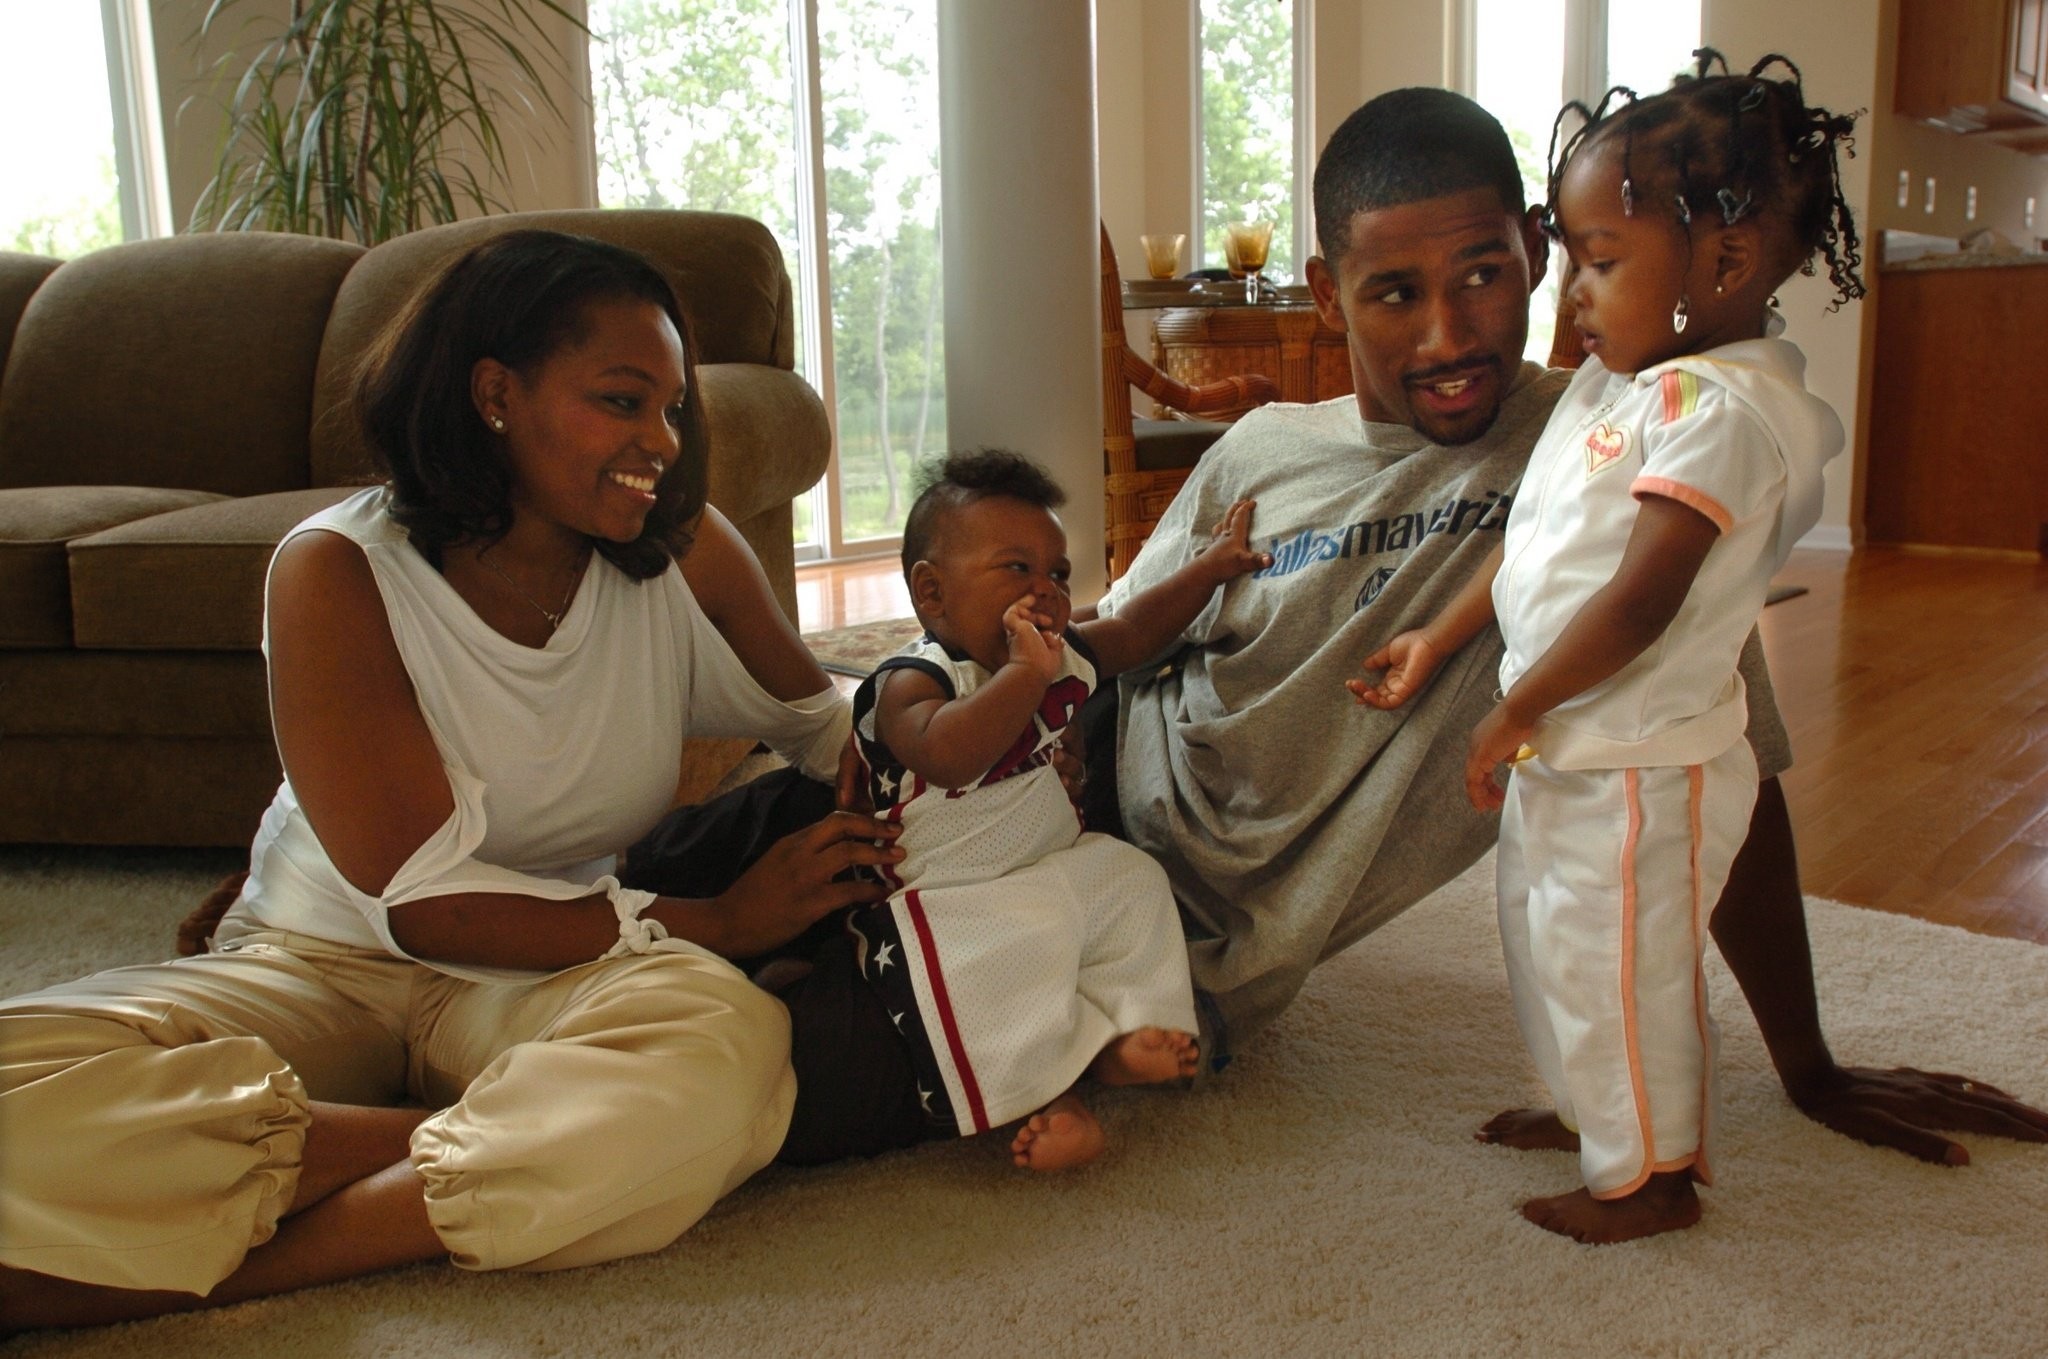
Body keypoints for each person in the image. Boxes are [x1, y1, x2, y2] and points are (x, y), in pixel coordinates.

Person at [1083, 83, 2047, 1169]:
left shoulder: (1618, 446)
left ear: (1538, 251)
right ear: (1325, 294)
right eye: (1393, 293)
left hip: (1159, 963)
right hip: (1080, 808)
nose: (1447, 336)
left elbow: (1718, 731)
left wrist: (1806, 1063)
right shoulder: (1258, 451)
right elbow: (1103, 648)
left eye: (1483, 276)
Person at [0, 230, 905, 1331]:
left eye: (671, 410)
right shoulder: (336, 569)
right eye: (621, 401)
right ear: (493, 394)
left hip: (533, 983)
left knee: (727, 1047)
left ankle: (243, 1261)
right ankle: (499, 1135)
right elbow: (424, 905)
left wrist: (956, 690)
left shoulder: (682, 554)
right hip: (321, 960)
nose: (660, 442)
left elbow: (827, 726)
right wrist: (717, 916)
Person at [1349, 52, 1862, 1243]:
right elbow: (1536, 541)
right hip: (1568, 745)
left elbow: (1637, 601)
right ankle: (1593, 1112)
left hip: (1639, 759)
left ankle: (1652, 1178)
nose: (1568, 289)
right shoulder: (1618, 385)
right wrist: (1439, 634)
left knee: (1623, 964)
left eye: (1598, 258)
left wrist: (1511, 705)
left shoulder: (1724, 414)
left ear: (1722, 265)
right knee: (1547, 942)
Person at [842, 449, 1266, 1171]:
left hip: (1050, 861)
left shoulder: (1055, 654)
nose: (1045, 590)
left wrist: (1211, 569)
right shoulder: (910, 681)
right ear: (932, 592)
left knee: (1130, 879)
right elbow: (948, 755)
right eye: (1016, 569)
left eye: (1059, 573)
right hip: (951, 896)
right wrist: (1021, 676)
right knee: (998, 974)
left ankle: (1126, 1036)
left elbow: (1132, 631)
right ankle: (1050, 1098)